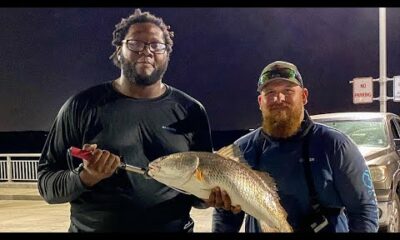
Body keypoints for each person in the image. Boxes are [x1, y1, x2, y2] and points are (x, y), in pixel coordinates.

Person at [37, 9, 214, 232]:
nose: (147, 51)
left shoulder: (191, 111)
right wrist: (85, 176)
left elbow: (197, 196)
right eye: (135, 44)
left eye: (157, 45)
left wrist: (211, 197)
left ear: (167, 54)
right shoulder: (81, 107)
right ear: (119, 51)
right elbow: (47, 185)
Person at [212, 60, 379, 232]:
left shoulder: (335, 146)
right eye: (270, 93)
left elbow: (363, 210)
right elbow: (225, 216)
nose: (279, 98)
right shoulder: (241, 150)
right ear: (260, 101)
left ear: (304, 96)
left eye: (288, 91)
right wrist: (223, 204)